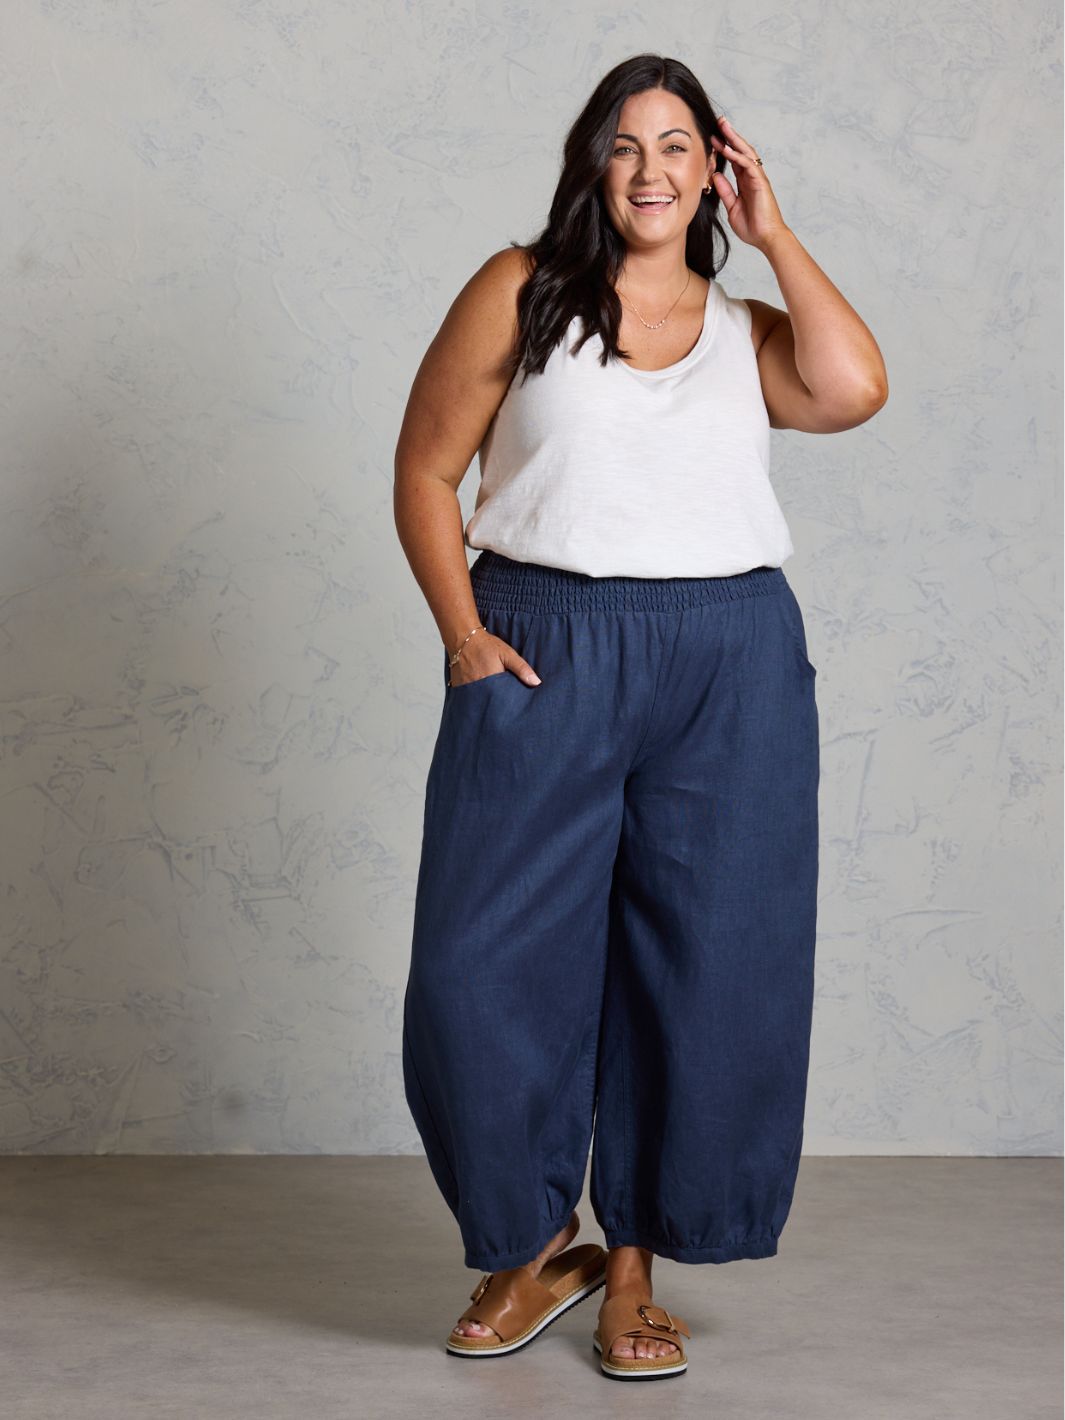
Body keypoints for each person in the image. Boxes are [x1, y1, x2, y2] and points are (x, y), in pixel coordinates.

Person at [394, 54, 887, 1382]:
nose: (652, 171)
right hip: (543, 642)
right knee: (482, 960)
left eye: (678, 146)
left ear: (714, 172)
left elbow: (851, 389)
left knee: (708, 966)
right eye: (626, 146)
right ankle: (524, 1244)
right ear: (591, 166)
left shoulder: (744, 327)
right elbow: (428, 469)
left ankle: (631, 1274)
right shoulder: (521, 289)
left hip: (727, 657)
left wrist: (776, 238)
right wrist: (464, 638)